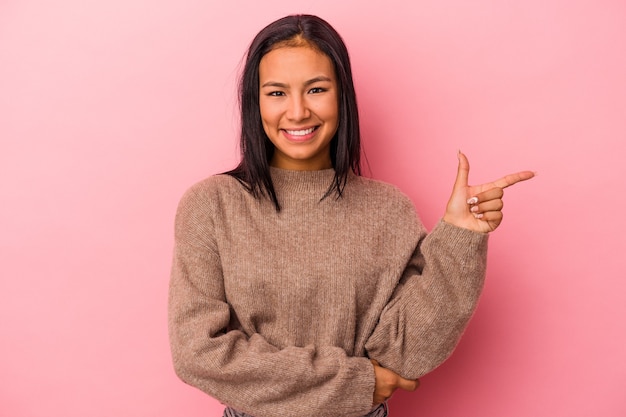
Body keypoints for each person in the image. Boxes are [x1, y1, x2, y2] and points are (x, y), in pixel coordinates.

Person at [168, 14, 534, 417]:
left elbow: (406, 351)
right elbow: (197, 352)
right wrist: (354, 382)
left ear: (342, 96)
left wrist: (460, 237)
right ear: (254, 102)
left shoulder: (388, 209)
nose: (297, 111)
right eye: (276, 93)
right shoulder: (211, 206)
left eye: (316, 89)